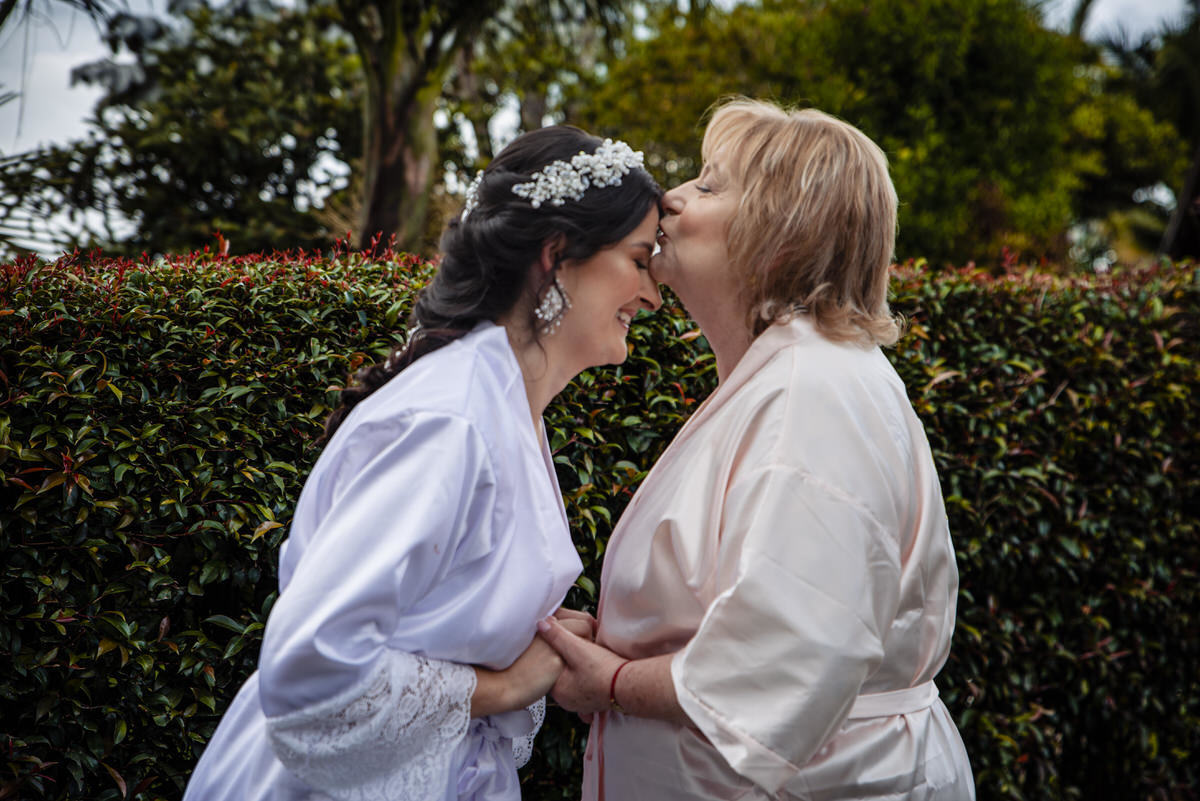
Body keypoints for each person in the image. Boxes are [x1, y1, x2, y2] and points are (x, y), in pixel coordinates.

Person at [183, 126, 663, 801]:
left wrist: (548, 643)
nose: (654, 294)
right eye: (641, 260)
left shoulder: (504, 405)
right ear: (557, 255)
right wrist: (504, 686)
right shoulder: (449, 421)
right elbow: (311, 666)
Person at [537, 99, 975, 800]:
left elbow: (790, 651)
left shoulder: (815, 389)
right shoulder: (788, 375)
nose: (670, 198)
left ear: (784, 231)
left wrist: (611, 681)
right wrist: (619, 636)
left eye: (709, 185)